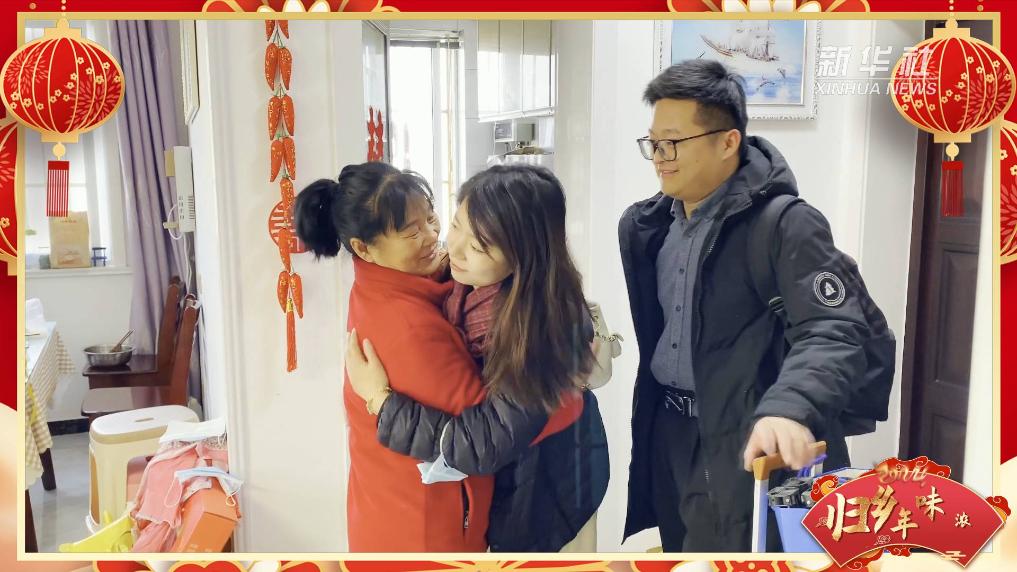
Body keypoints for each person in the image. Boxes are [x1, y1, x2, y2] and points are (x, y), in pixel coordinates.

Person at [619, 60, 869, 551]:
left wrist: (791, 408)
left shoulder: (786, 225)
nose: (660, 157)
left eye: (673, 142)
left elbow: (834, 329)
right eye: (653, 142)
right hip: (672, 433)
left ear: (728, 141)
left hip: (754, 439)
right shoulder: (649, 226)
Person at [345, 164, 609, 552]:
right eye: (456, 225)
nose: (450, 246)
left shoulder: (537, 330)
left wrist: (381, 402)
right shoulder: (474, 286)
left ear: (522, 256)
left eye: (479, 246)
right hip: (519, 484)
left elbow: (482, 442)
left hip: (552, 499)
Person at [293, 162, 492, 552]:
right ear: (363, 248)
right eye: (410, 232)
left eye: (431, 218)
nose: (431, 235)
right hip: (421, 531)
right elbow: (488, 429)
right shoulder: (407, 326)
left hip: (388, 513)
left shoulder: (384, 286)